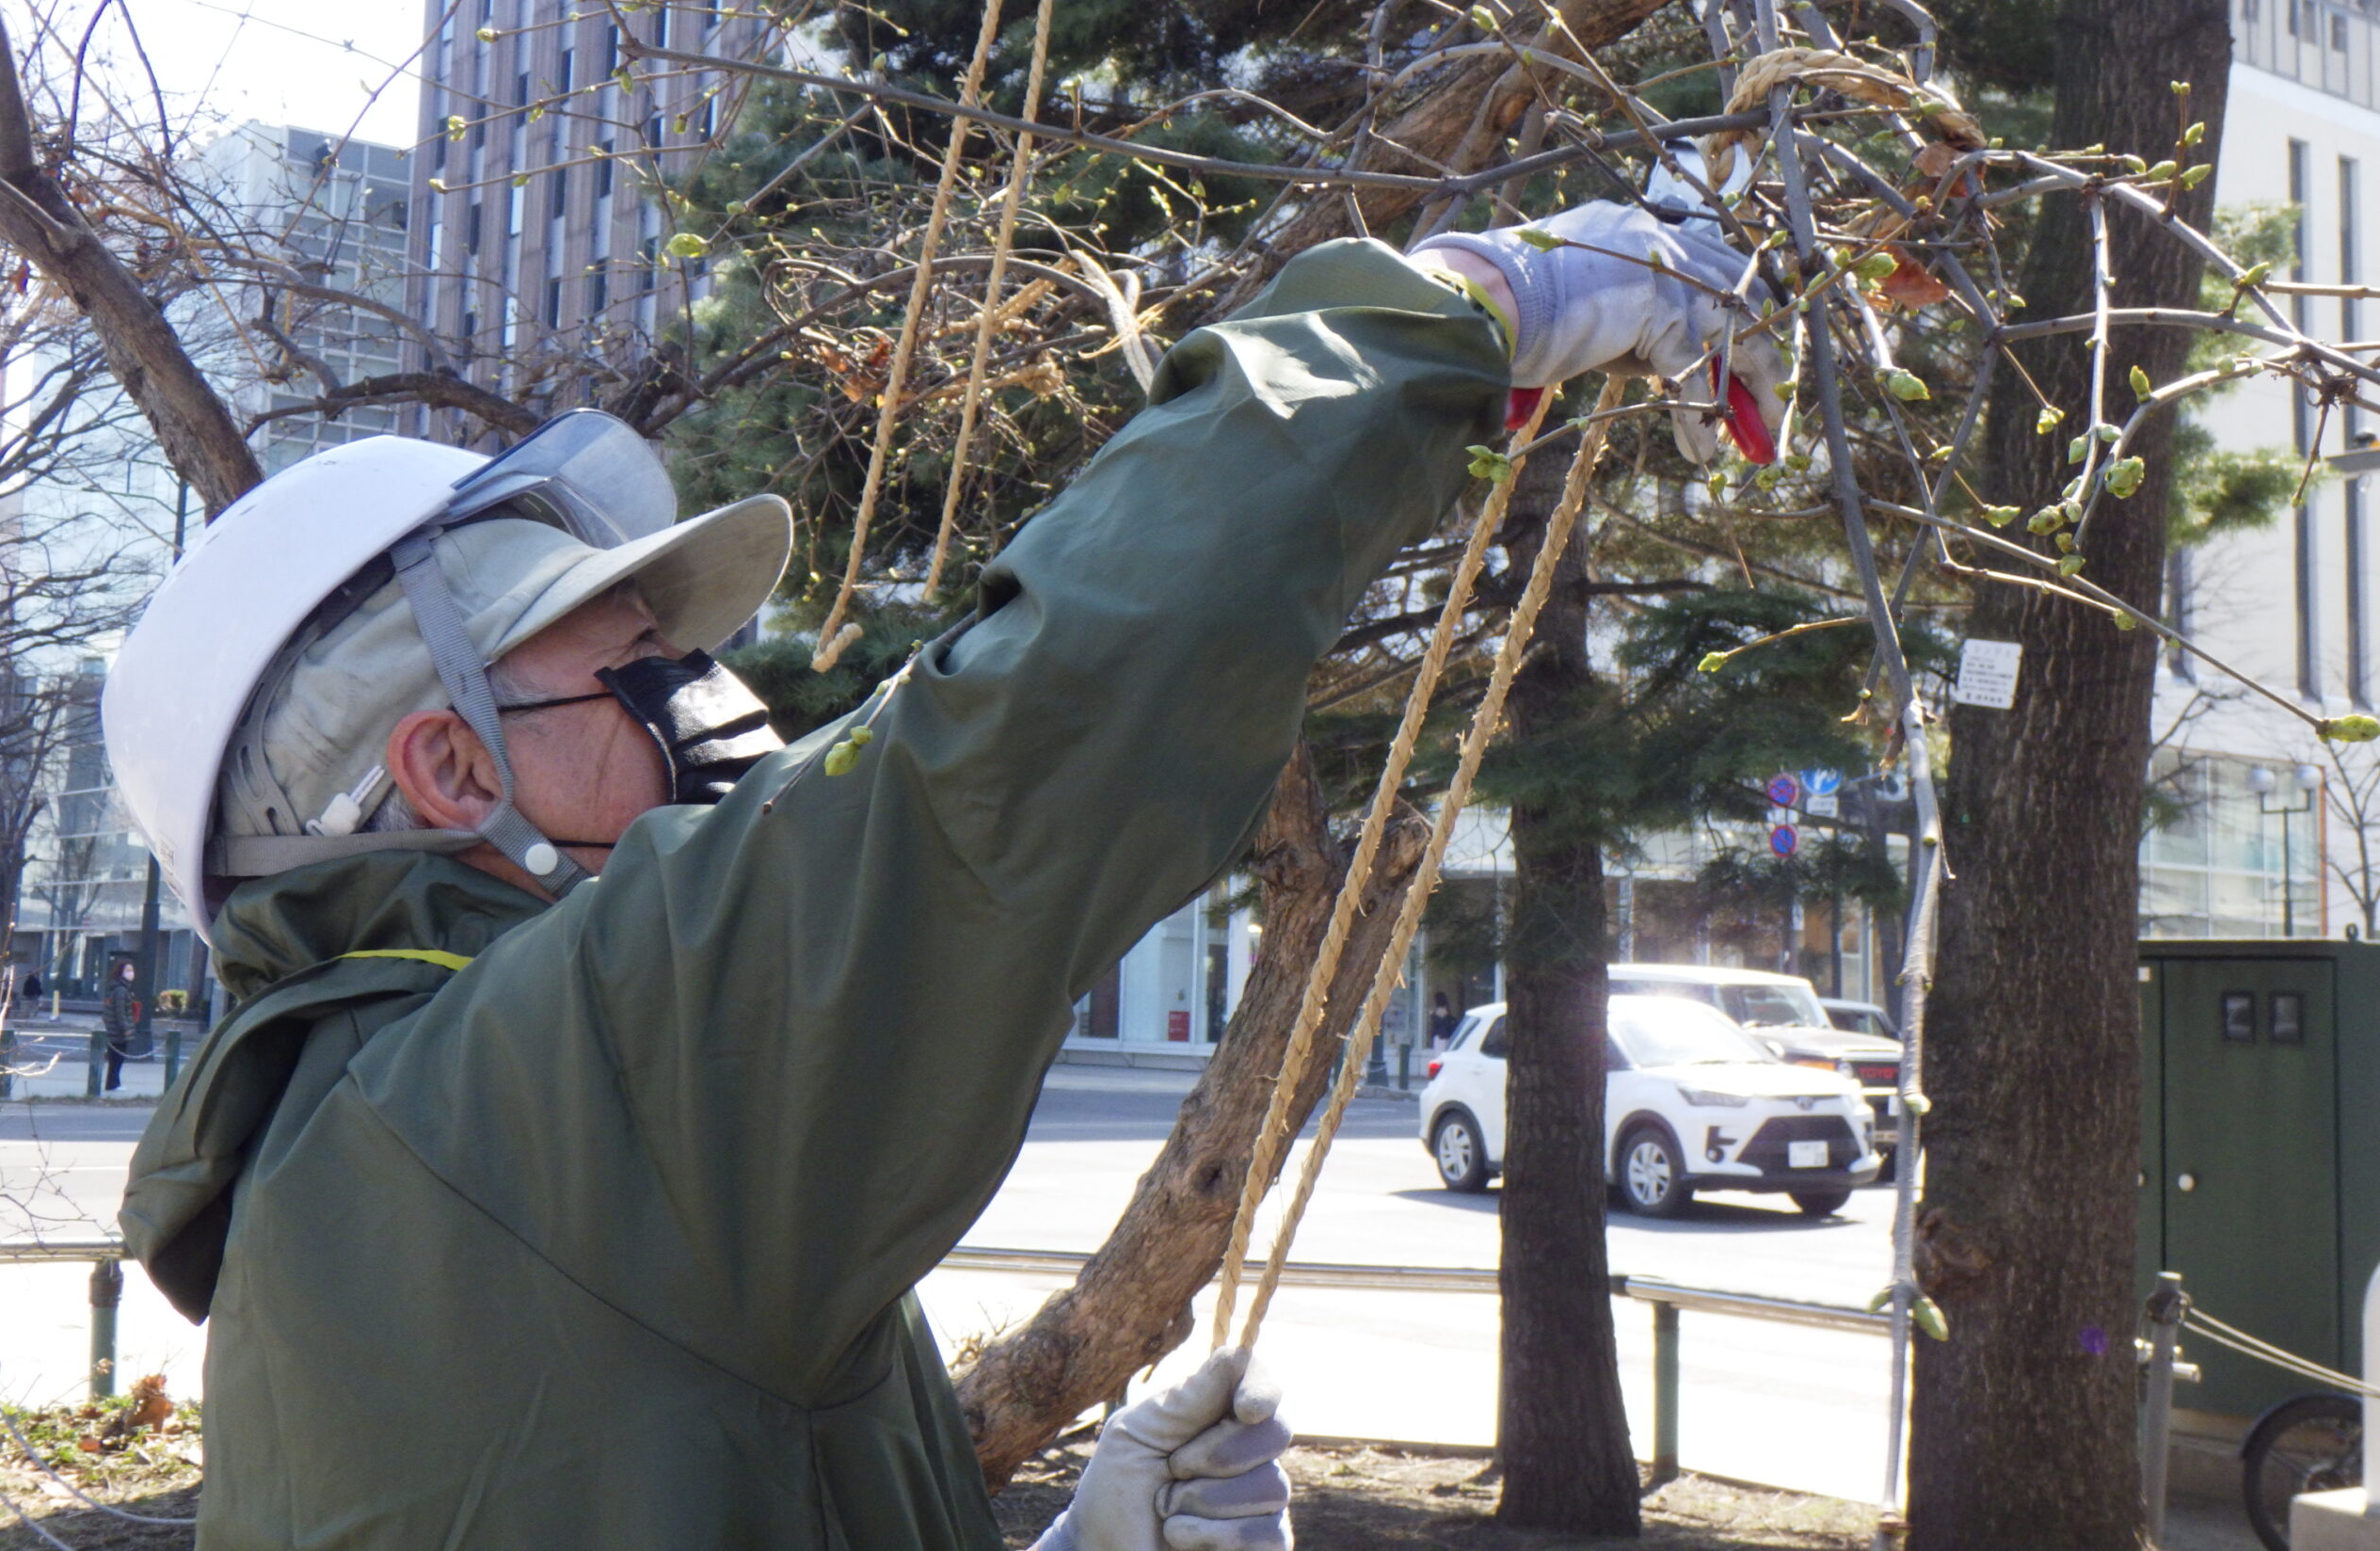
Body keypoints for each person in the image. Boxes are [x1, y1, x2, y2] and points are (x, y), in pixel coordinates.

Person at [108, 203, 1775, 1548]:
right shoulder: (545, 1091)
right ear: (452, 768)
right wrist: (1462, 305)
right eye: (634, 673)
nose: (713, 705)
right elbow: (1024, 743)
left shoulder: (394, 1141)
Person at [102, 959, 140, 1093]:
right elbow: (120, 1012)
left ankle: (114, 1083)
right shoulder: (121, 990)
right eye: (128, 971)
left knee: (116, 1059)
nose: (131, 974)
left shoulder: (120, 989)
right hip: (117, 1032)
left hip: (114, 1030)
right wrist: (126, 1029)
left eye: (132, 970)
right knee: (116, 1059)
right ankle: (113, 1084)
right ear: (121, 973)